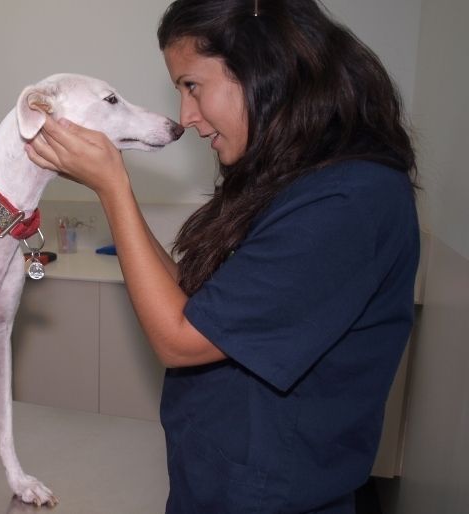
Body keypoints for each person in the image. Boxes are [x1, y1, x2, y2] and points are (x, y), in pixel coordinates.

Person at [26, 0, 419, 512]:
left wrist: (113, 188)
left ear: (262, 67)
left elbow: (180, 339)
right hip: (215, 480)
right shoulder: (286, 180)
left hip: (273, 495)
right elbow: (196, 306)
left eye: (191, 85)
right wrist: (114, 190)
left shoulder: (347, 201)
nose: (186, 117)